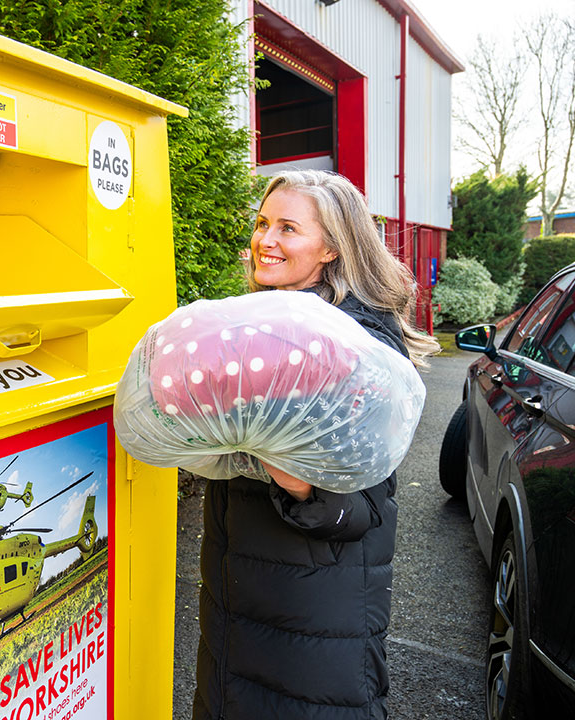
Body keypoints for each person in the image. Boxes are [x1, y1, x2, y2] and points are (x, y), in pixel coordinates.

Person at [192, 170, 439, 720]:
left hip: (311, 610)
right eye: (262, 223)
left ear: (331, 247)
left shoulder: (350, 343)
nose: (265, 240)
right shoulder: (262, 324)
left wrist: (294, 472)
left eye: (287, 228)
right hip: (242, 592)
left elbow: (359, 509)